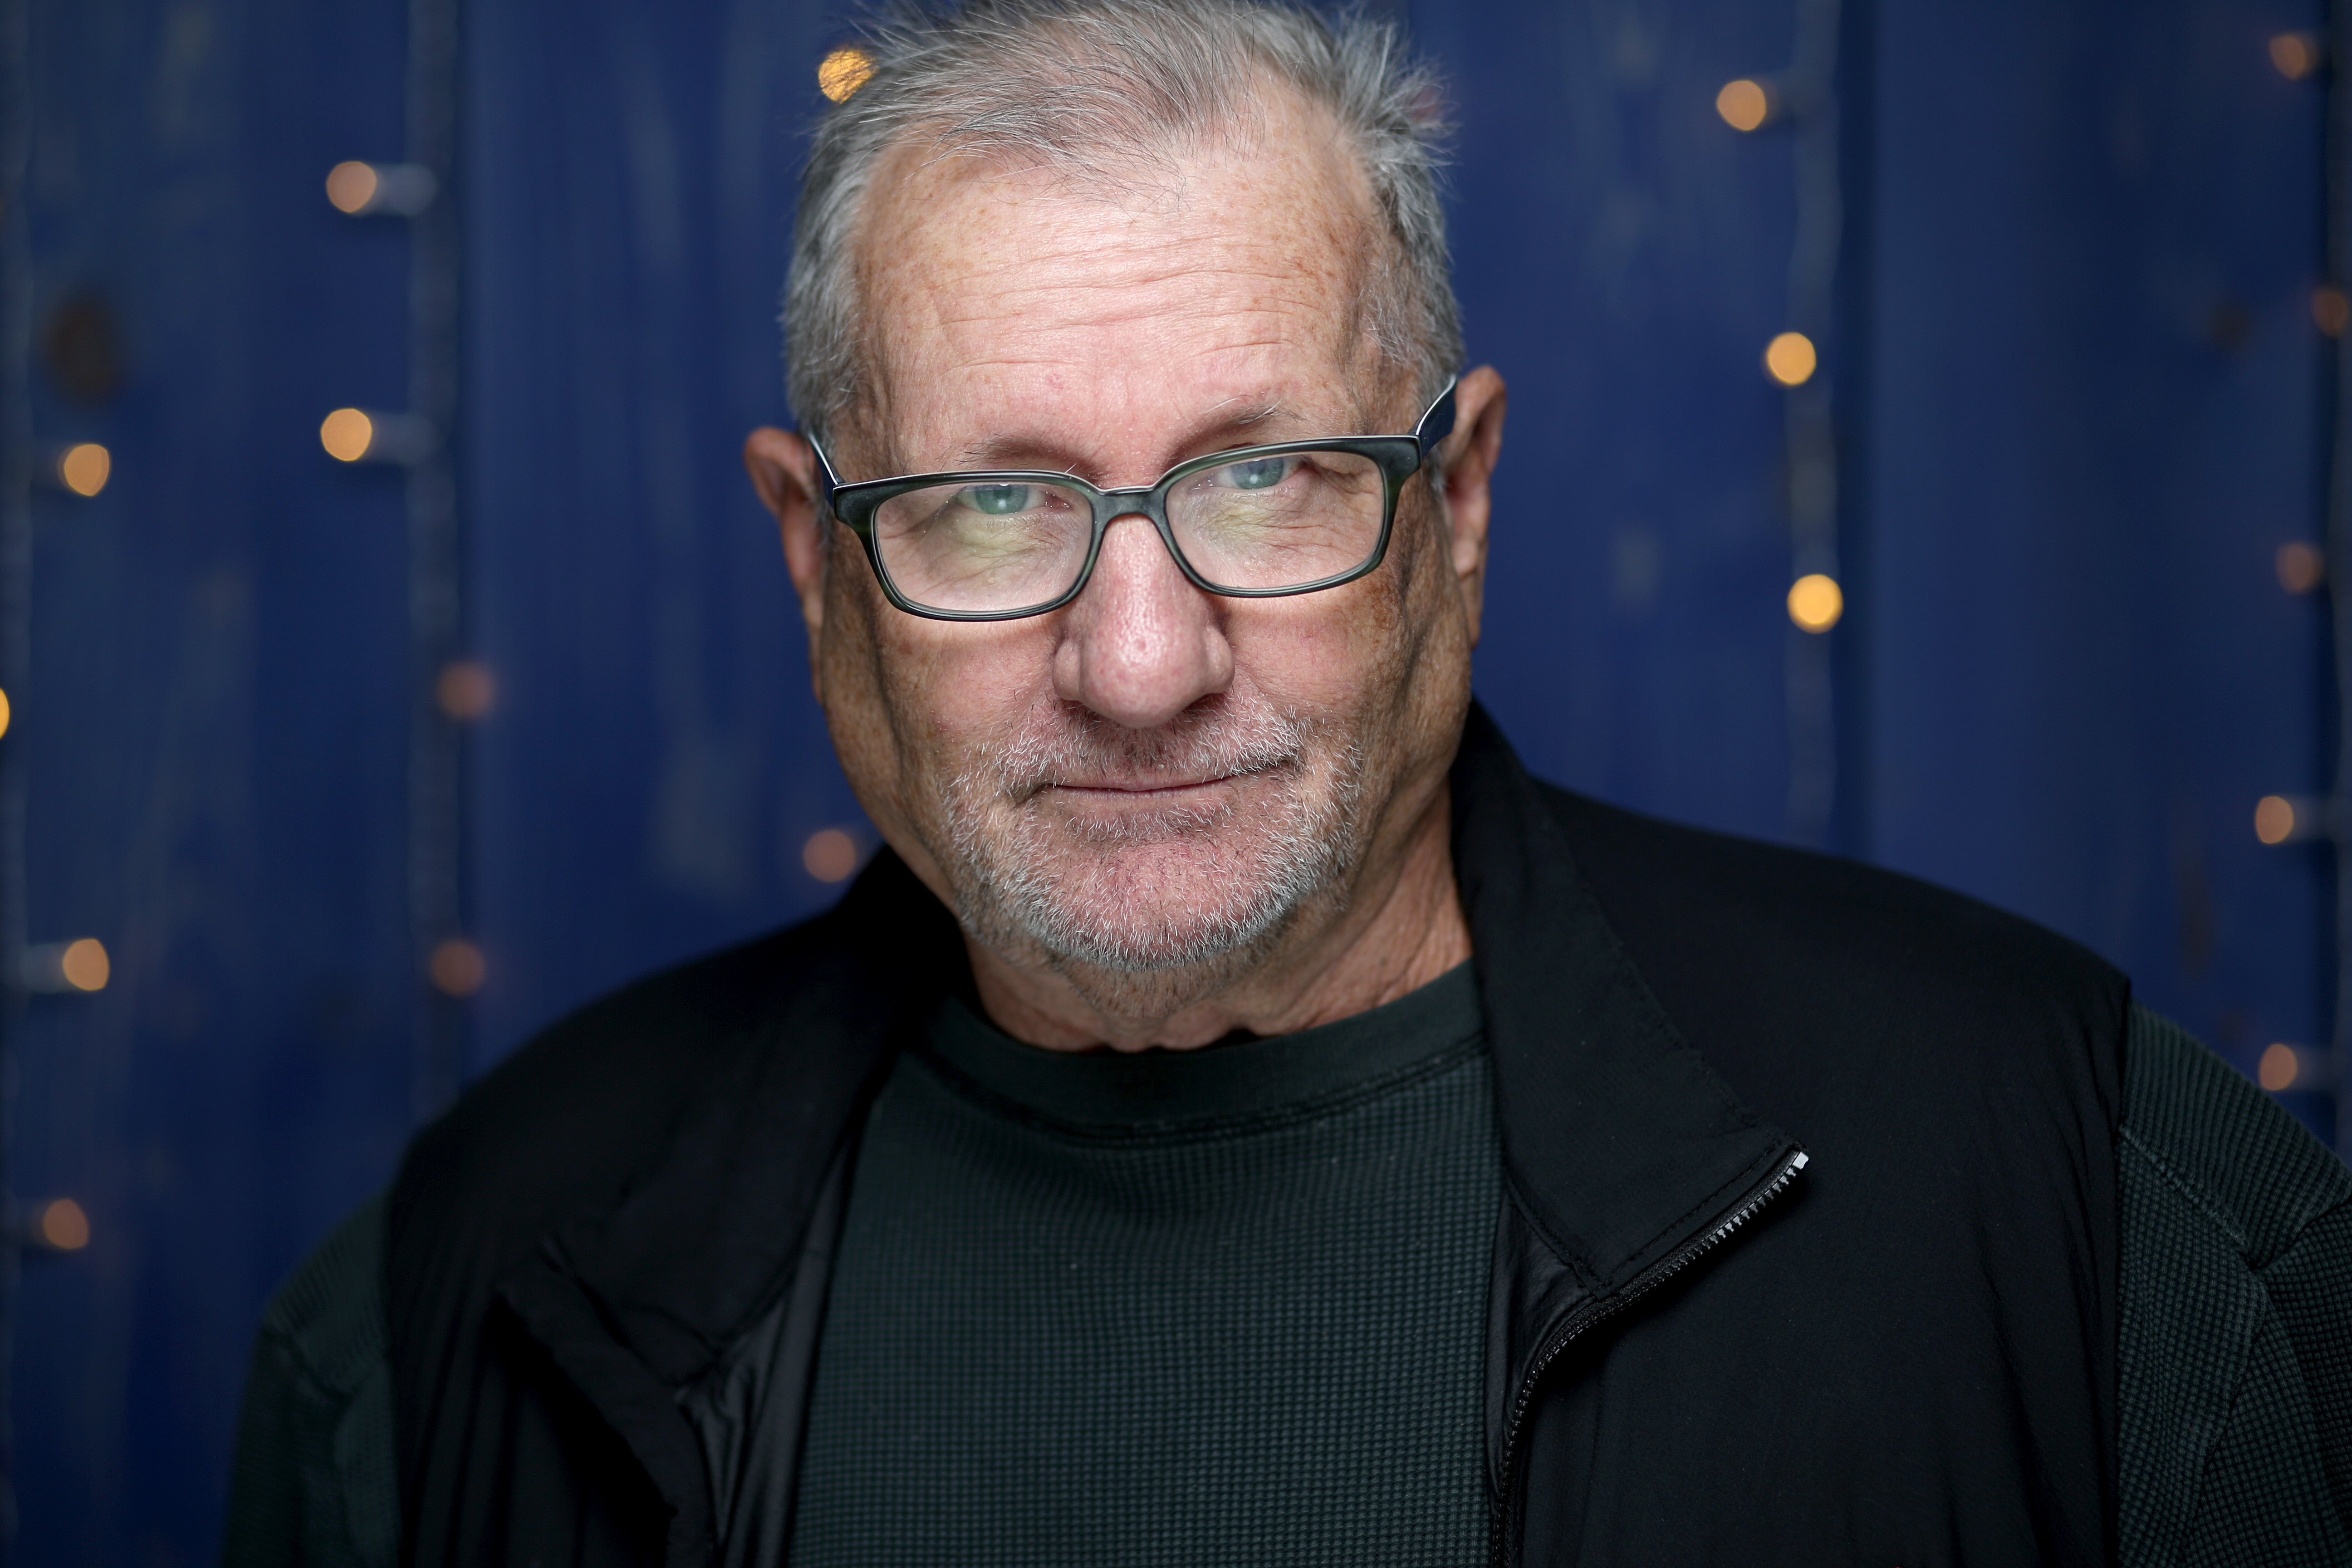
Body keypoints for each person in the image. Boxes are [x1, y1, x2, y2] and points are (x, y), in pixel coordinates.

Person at [223, 1, 2352, 1563]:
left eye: (1267, 478)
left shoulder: (2075, 1200)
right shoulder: (449, 1317)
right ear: (816, 558)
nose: (1140, 664)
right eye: (988, 506)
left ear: (1468, 503)